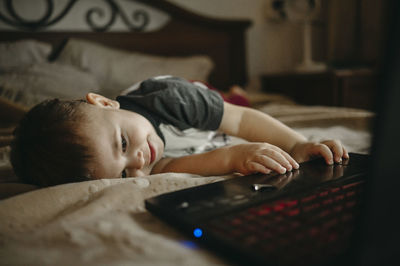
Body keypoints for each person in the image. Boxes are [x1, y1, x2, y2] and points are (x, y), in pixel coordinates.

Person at [10, 76, 348, 187]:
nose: (139, 159)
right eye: (126, 172)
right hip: (199, 137)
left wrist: (298, 143)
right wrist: (235, 156)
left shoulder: (171, 99)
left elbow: (242, 123)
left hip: (201, 104)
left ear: (104, 103)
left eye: (123, 143)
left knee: (228, 106)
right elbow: (183, 165)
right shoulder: (142, 164)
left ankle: (231, 90)